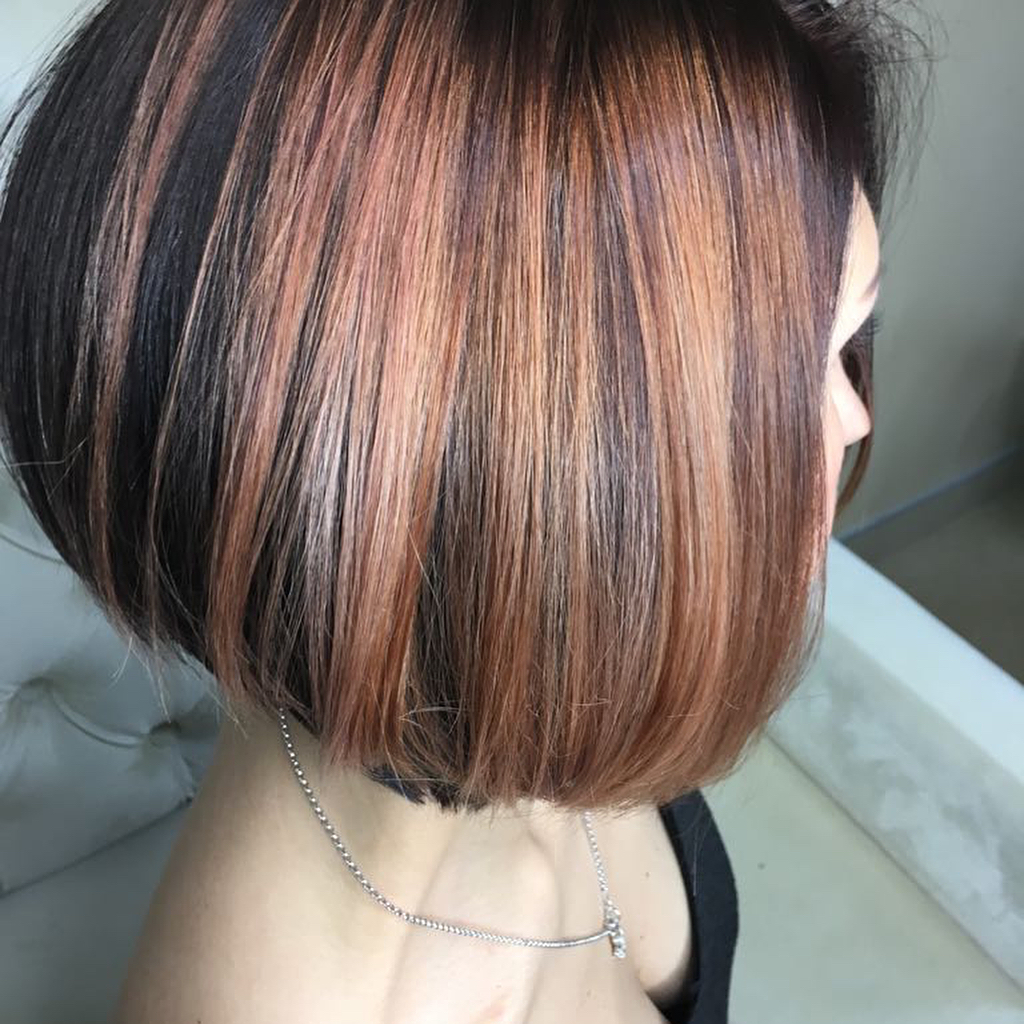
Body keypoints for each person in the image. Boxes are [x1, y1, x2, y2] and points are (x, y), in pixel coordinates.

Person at [0, 0, 922, 1020]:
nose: (852, 417)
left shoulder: (548, 668)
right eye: (795, 376)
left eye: (853, 340)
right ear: (479, 478)